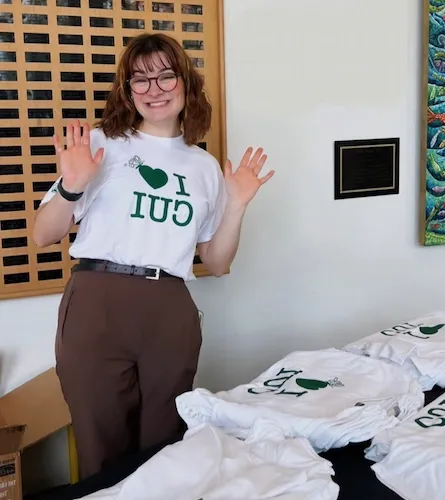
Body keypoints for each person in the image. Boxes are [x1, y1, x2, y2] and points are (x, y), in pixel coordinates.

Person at [32, 32, 274, 480]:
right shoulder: (102, 145)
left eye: (166, 76)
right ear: (127, 91)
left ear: (186, 84)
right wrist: (71, 186)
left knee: (165, 443)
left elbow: (217, 263)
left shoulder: (203, 166)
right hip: (96, 302)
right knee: (99, 440)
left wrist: (236, 205)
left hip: (168, 306)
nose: (154, 89)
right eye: (140, 81)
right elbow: (42, 234)